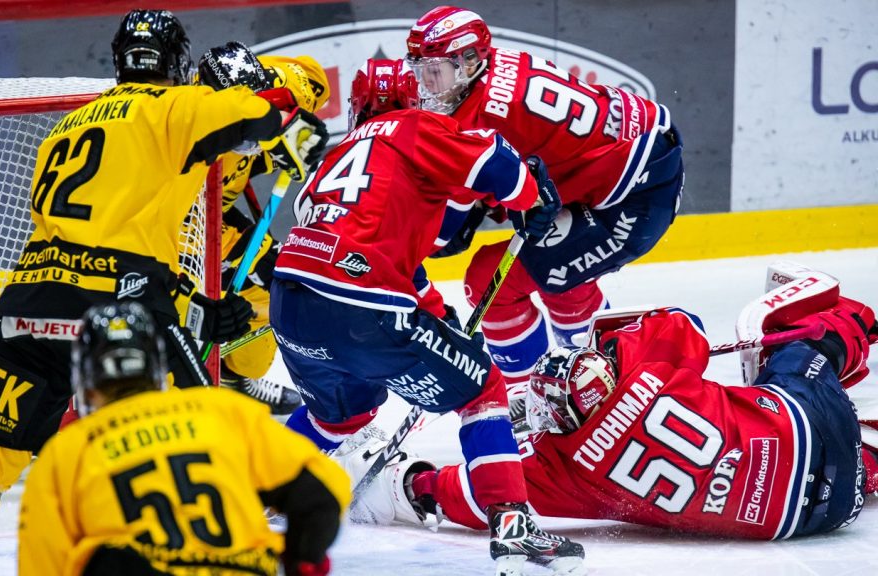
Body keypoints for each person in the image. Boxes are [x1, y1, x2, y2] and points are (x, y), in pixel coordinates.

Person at [0, 9, 329, 576]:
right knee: (189, 429)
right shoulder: (177, 107)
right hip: (118, 312)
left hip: (31, 301)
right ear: (176, 62)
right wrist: (295, 120)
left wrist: (195, 305)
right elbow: (267, 111)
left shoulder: (67, 126)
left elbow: (118, 225)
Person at [270, 58, 584, 576]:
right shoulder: (415, 126)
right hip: (359, 300)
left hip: (292, 301)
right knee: (482, 390)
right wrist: (529, 195)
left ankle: (250, 489)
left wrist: (436, 318)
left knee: (339, 416)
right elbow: (495, 162)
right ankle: (512, 523)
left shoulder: (331, 159)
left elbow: (397, 265)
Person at [348, 265, 878, 540]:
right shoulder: (636, 374)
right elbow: (682, 323)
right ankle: (857, 326)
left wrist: (405, 481)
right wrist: (614, 352)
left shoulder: (559, 468)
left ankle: (865, 464)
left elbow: (466, 493)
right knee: (803, 336)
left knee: (832, 469)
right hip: (806, 424)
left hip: (814, 517)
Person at [406, 6, 686, 425]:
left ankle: (526, 400)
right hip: (629, 164)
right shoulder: (496, 67)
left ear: (468, 61)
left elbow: (442, 237)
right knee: (556, 271)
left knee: (491, 282)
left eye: (435, 70)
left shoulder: (477, 119)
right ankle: (592, 376)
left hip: (632, 195)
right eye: (419, 70)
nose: (425, 85)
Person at [18, 301, 349, 576]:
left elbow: (43, 564)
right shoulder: (223, 411)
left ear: (86, 378)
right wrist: (303, 558)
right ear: (157, 366)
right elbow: (321, 492)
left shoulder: (68, 451)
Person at [196, 41, 333, 416]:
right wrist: (252, 255)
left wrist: (289, 120)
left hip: (221, 209)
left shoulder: (270, 89)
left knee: (271, 296)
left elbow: (317, 82)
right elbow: (180, 226)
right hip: (182, 229)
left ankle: (236, 379)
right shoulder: (186, 136)